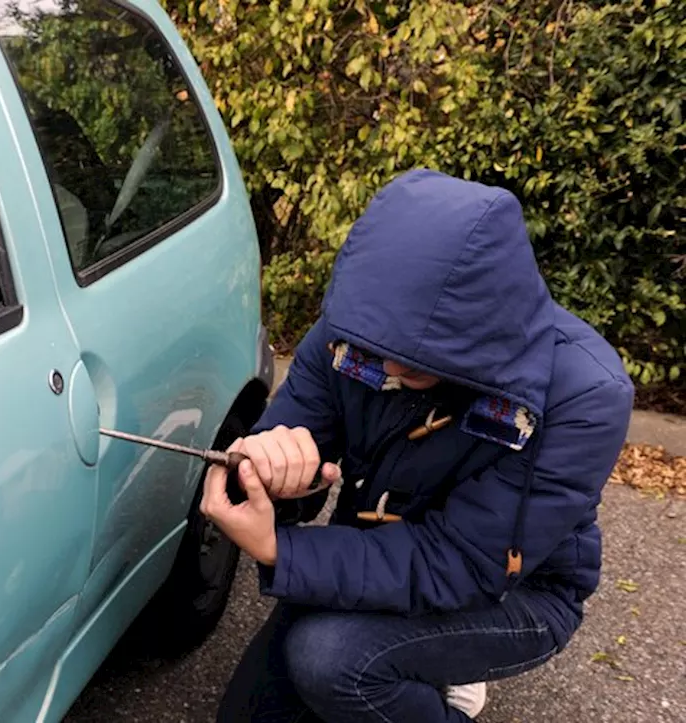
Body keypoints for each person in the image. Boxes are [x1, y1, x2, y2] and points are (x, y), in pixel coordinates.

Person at [202, 169, 634, 722]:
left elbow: (462, 563)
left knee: (329, 658)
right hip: (381, 551)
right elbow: (291, 452)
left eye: (417, 354)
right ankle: (418, 667)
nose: (387, 366)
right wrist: (268, 472)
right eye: (376, 343)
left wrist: (282, 552)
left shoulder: (586, 395)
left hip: (513, 592)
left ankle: (441, 678)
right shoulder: (354, 329)